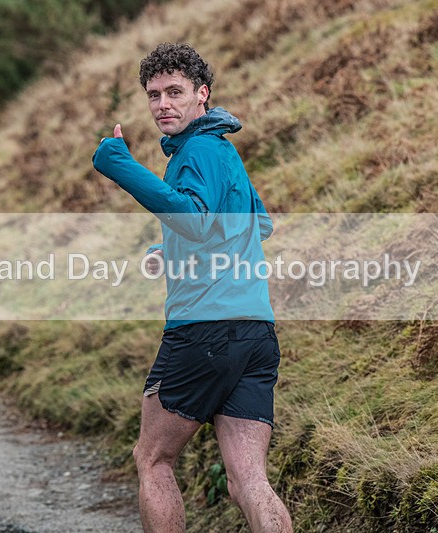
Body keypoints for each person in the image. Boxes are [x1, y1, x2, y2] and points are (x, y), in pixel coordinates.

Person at [92, 42, 292, 533]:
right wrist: (176, 252)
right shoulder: (224, 150)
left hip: (203, 333)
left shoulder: (196, 151)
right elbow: (258, 224)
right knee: (249, 481)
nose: (163, 104)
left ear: (202, 94)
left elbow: (198, 222)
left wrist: (119, 164)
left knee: (153, 460)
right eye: (154, 94)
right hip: (256, 333)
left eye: (175, 92)